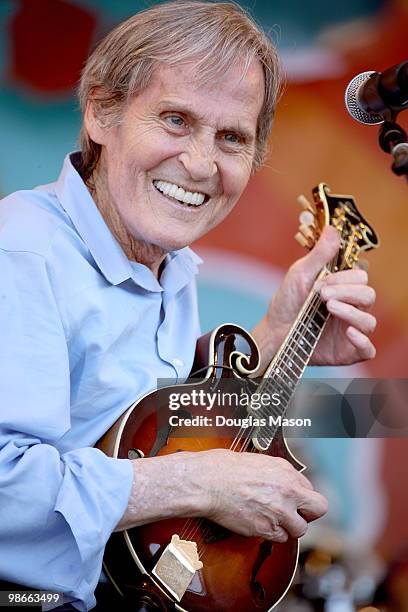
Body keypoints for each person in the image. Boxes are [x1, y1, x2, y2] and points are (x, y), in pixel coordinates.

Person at [0, 2, 377, 610]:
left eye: (232, 137)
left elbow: (143, 433)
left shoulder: (168, 266)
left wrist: (283, 335)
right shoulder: (24, 253)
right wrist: (197, 484)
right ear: (101, 112)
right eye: (175, 120)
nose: (201, 164)